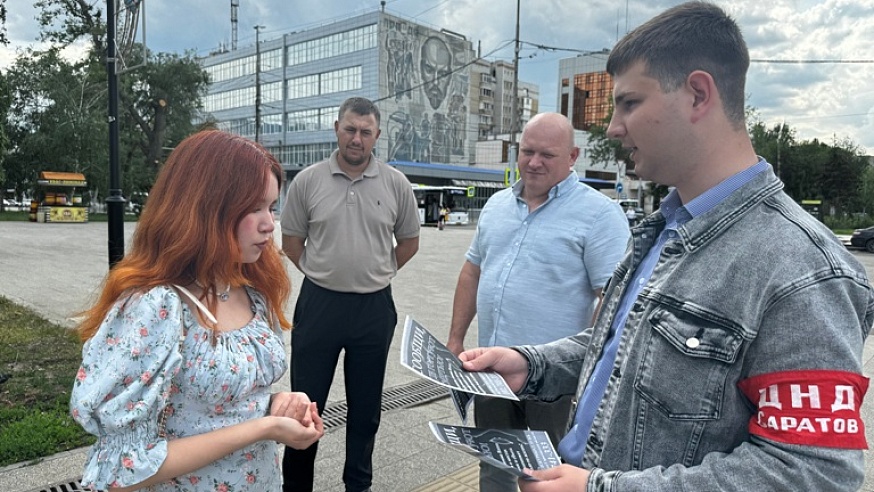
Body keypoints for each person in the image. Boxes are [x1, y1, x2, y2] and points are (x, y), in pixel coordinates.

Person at [459, 3, 874, 491]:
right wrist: (535, 364)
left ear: (698, 94)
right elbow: (624, 347)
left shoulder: (803, 270)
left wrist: (601, 489)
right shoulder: (664, 230)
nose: (613, 126)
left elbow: (813, 474)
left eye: (630, 103)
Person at [70, 130, 325, 492]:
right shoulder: (156, 306)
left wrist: (277, 403)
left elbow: (220, 406)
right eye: (253, 209)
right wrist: (265, 428)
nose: (269, 223)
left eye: (271, 207)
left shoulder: (252, 290)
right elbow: (122, 472)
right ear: (204, 209)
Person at [446, 112, 630, 492]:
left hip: (555, 385)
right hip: (492, 374)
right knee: (494, 467)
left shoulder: (599, 215)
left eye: (547, 154)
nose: (533, 162)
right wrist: (455, 339)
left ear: (573, 156)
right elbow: (471, 272)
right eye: (527, 151)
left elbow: (613, 302)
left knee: (547, 477)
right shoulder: (497, 206)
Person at [280, 97, 420, 492]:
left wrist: (380, 270)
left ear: (377, 135)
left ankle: (358, 486)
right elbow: (292, 242)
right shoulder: (308, 181)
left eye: (365, 132)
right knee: (304, 409)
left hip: (374, 308)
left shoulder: (395, 183)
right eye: (350, 129)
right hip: (319, 304)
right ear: (336, 128)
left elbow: (409, 242)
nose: (356, 139)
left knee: (365, 411)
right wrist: (320, 271)